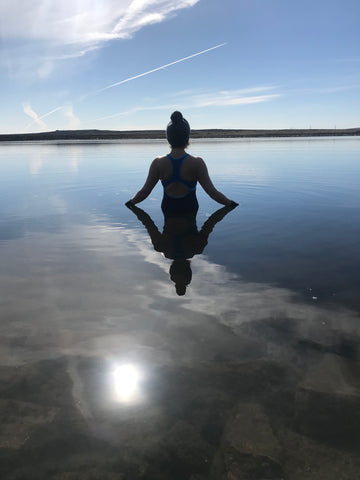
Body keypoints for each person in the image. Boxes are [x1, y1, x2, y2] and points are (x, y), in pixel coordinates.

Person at [125, 111, 238, 214]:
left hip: (168, 212)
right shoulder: (197, 163)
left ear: (168, 137)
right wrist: (232, 204)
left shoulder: (158, 163)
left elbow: (144, 192)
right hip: (190, 212)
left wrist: (130, 203)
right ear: (187, 137)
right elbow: (213, 193)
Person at [127, 202, 237, 295]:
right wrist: (229, 205)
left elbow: (211, 223)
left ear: (189, 270)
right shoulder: (162, 247)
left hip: (172, 205)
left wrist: (132, 205)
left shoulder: (196, 248)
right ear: (171, 269)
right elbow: (148, 223)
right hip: (187, 205)